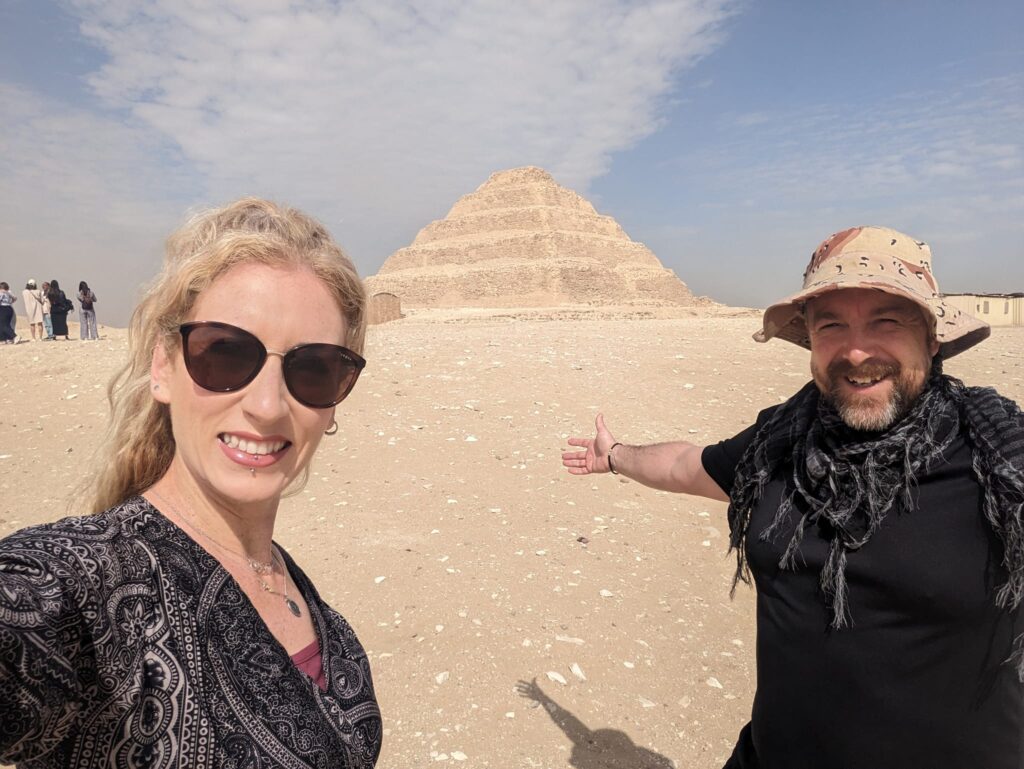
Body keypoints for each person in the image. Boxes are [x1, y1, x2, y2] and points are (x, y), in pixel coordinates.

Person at [563, 226, 1024, 769]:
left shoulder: (1001, 464)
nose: (856, 350)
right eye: (832, 325)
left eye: (887, 320)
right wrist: (615, 454)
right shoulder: (781, 442)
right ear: (809, 341)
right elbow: (688, 466)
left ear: (932, 337)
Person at [0, 198, 382, 767]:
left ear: (335, 400)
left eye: (314, 368)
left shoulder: (301, 595)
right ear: (163, 368)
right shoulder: (80, 584)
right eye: (225, 354)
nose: (268, 405)